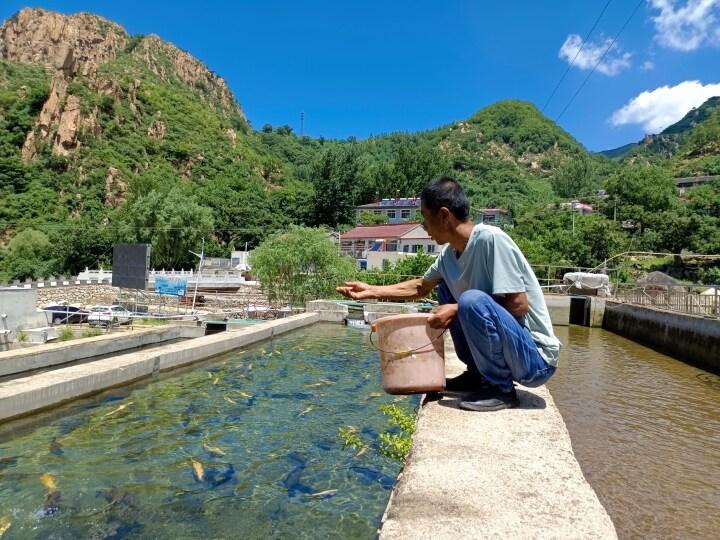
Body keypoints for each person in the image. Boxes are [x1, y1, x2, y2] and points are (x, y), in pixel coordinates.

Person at [336, 176, 561, 412]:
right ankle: (477, 374)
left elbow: (518, 305)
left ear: (444, 215)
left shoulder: (491, 240)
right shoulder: (449, 255)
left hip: (535, 359)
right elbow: (421, 287)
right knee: (445, 288)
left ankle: (501, 390)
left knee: (469, 300)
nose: (424, 226)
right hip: (511, 353)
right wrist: (371, 290)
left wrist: (457, 309)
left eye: (425, 218)